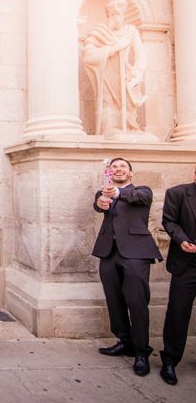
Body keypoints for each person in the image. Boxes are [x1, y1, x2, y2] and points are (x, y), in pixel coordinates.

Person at [92, 157, 161, 377]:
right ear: (109, 173)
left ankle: (141, 351)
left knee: (137, 302)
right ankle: (125, 341)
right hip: (108, 253)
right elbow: (99, 204)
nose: (118, 169)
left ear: (130, 173)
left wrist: (117, 194)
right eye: (114, 167)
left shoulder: (142, 191)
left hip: (136, 255)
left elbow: (134, 198)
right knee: (114, 300)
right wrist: (101, 202)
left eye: (122, 167)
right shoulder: (104, 192)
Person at [83, 0, 147, 137]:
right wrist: (113, 48)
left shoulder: (131, 31)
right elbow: (88, 56)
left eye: (118, 11)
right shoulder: (99, 32)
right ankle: (109, 129)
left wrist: (137, 72)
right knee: (108, 108)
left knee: (129, 110)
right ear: (107, 14)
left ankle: (130, 127)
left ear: (124, 14)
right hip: (105, 77)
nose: (115, 13)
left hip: (126, 77)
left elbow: (140, 56)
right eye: (112, 11)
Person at [158, 166, 196, 385]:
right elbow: (169, 221)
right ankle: (170, 361)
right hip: (186, 264)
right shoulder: (178, 193)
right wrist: (181, 240)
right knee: (177, 313)